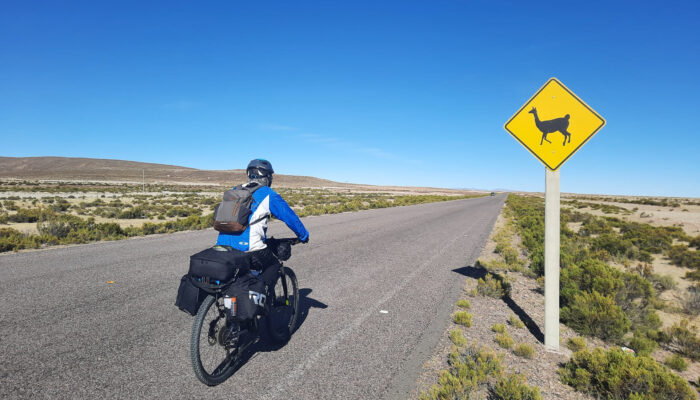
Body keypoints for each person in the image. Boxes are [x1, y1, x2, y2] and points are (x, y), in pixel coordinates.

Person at [216, 159, 309, 284]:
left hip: (222, 246)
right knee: (274, 265)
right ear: (267, 177)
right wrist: (303, 236)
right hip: (249, 248)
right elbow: (290, 217)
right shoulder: (268, 194)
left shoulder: (235, 190)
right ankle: (264, 301)